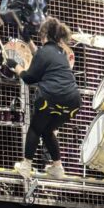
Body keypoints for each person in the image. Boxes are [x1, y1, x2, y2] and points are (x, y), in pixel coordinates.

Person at [13, 16, 81, 182]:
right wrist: (28, 41)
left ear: (43, 34)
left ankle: (26, 166)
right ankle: (57, 168)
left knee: (35, 128)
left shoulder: (45, 52)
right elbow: (42, 56)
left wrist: (16, 67)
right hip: (73, 102)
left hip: (51, 97)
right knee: (47, 130)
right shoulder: (61, 53)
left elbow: (29, 78)